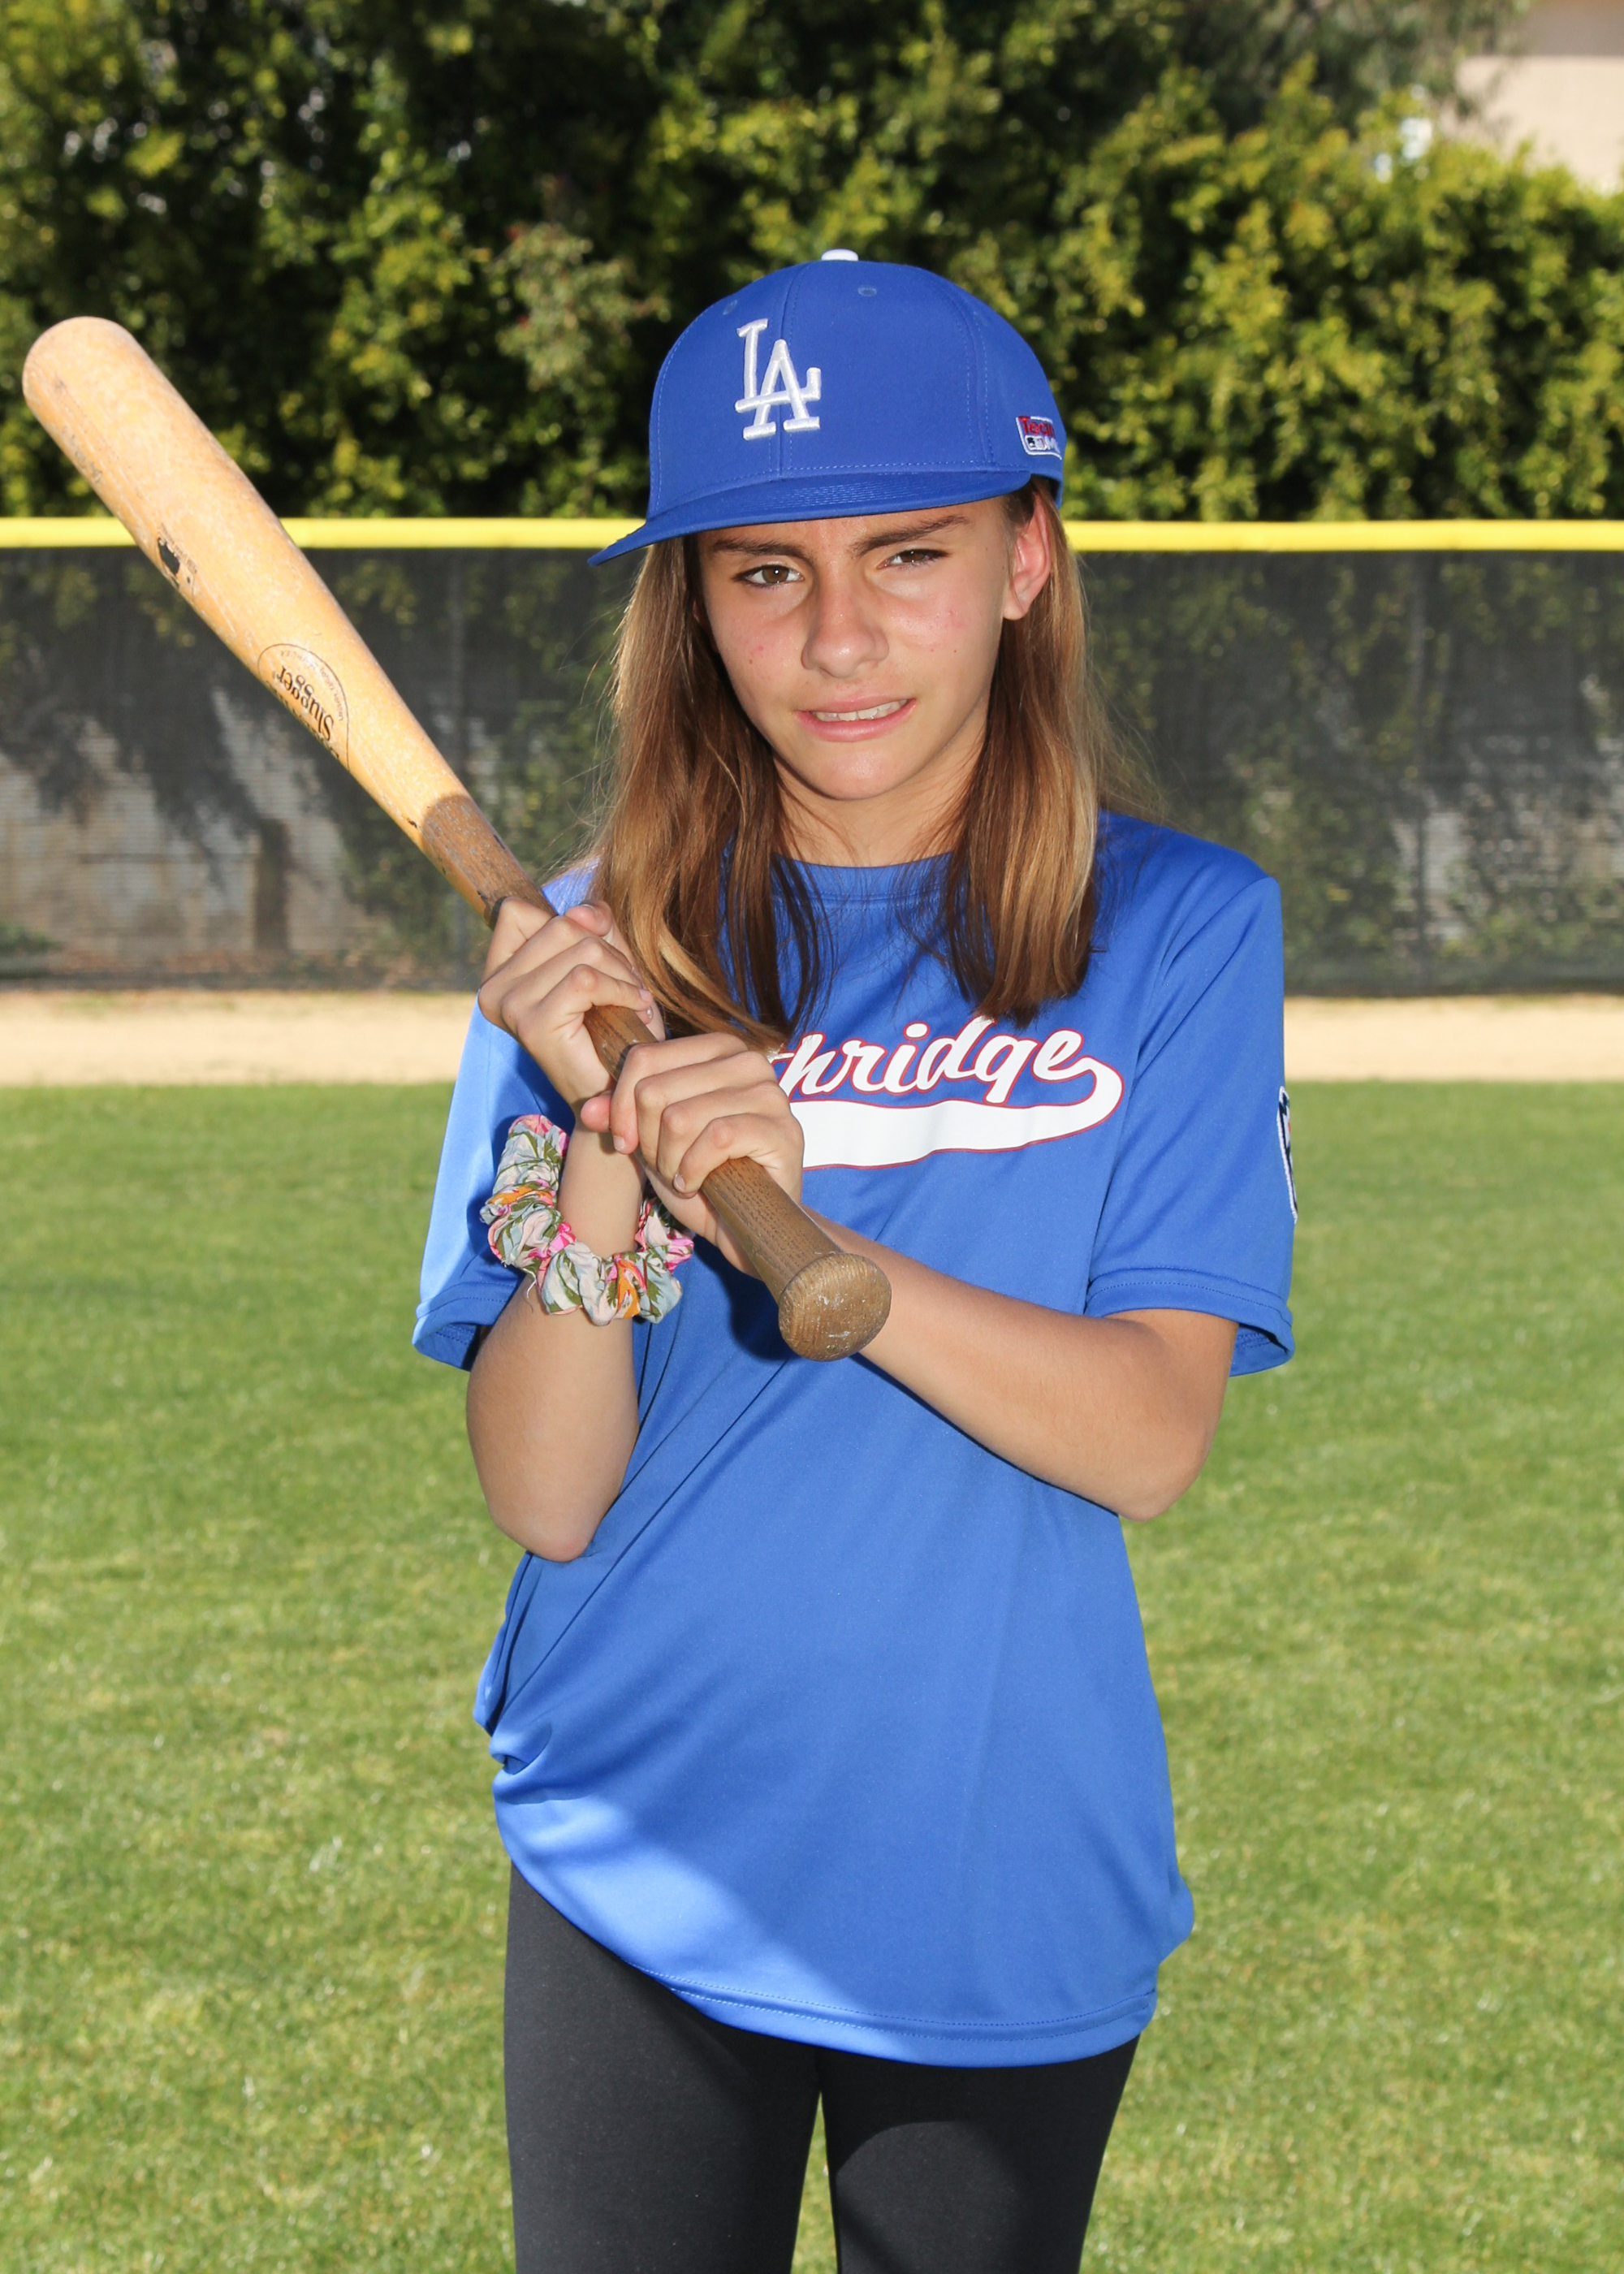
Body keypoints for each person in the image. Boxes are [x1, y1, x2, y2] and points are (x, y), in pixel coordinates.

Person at [414, 253, 1296, 2274]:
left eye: (907, 553)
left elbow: (1147, 1435)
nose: (834, 638)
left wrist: (835, 1242)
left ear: (1024, 558)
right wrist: (607, 1148)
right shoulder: (588, 951)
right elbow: (546, 1497)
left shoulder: (1178, 929)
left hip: (995, 1850)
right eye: (763, 571)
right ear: (692, 602)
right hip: (636, 1837)